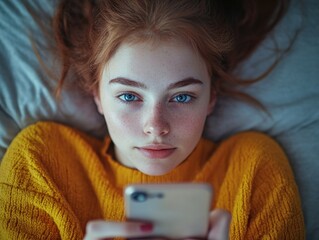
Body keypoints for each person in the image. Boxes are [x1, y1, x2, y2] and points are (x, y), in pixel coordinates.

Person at [0, 0, 305, 239]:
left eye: (182, 96)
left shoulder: (253, 169)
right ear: (97, 95)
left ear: (212, 97)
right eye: (129, 96)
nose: (156, 126)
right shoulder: (40, 162)